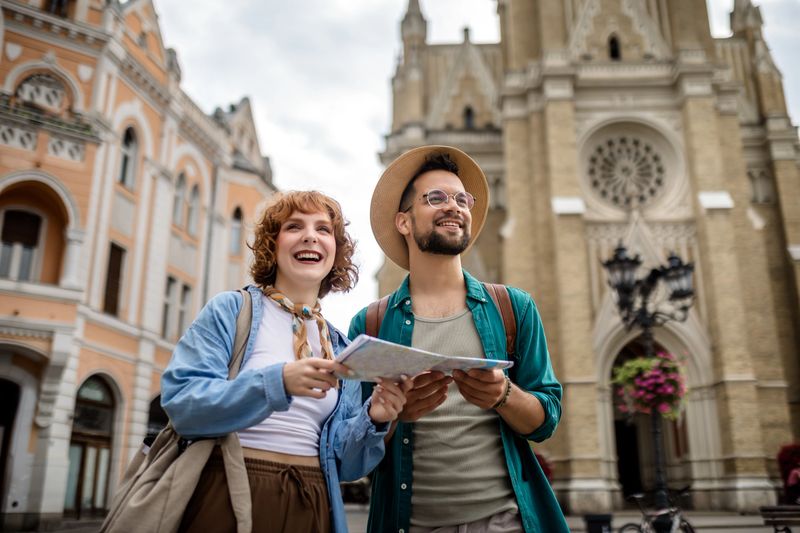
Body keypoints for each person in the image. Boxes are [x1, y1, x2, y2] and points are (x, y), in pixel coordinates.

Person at [349, 146, 569, 533]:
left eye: (461, 198)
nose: (454, 206)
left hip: (507, 523)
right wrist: (393, 416)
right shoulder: (369, 324)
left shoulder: (514, 308)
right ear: (403, 221)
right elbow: (352, 455)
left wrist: (503, 395)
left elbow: (545, 422)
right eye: (436, 198)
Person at [161, 191, 409, 533]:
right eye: (295, 226)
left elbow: (348, 466)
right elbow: (183, 405)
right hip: (228, 488)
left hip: (313, 501)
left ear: (335, 251)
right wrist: (277, 382)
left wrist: (374, 417)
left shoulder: (339, 346)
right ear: (272, 245)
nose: (311, 235)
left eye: (324, 229)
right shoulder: (231, 311)